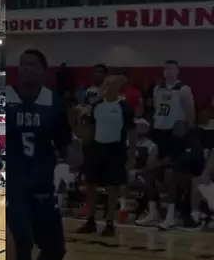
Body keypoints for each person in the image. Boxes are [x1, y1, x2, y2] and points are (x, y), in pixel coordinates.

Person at [7, 48, 72, 260]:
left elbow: (66, 144)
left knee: (56, 251)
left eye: (32, 65)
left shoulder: (53, 102)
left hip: (44, 185)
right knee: (21, 237)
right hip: (15, 184)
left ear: (44, 71)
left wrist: (69, 169)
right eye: (22, 64)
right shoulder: (7, 97)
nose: (25, 69)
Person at [75, 74, 137, 237]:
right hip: (97, 149)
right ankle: (91, 221)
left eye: (113, 84)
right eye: (107, 84)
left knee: (112, 188)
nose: (109, 87)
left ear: (118, 87)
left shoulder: (124, 107)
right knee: (91, 185)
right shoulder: (97, 106)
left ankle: (109, 223)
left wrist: (131, 157)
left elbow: (132, 133)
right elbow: (91, 129)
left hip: (115, 150)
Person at [137, 60, 195, 225]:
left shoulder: (183, 89)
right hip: (159, 134)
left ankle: (171, 214)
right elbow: (157, 111)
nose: (168, 71)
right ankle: (153, 211)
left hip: (175, 135)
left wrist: (185, 133)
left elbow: (190, 115)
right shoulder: (157, 89)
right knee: (148, 172)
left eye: (171, 68)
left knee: (170, 174)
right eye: (166, 69)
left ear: (178, 71)